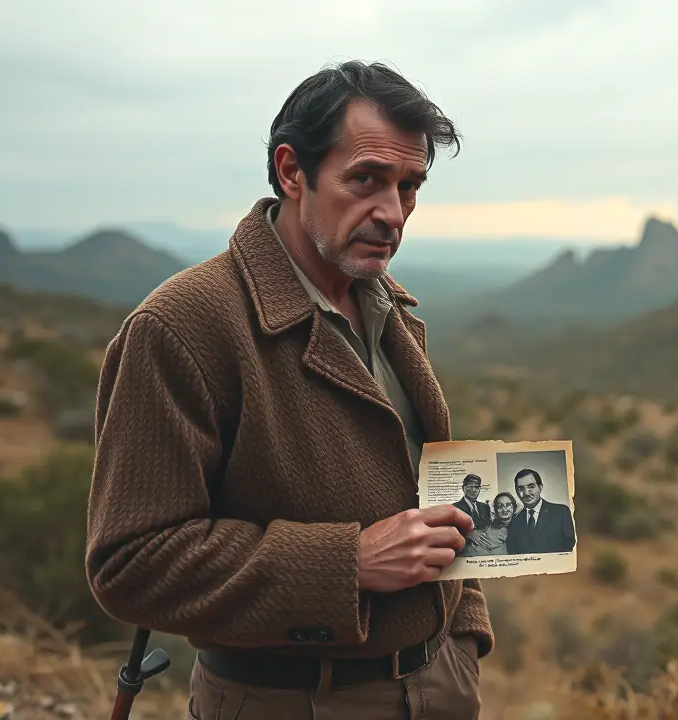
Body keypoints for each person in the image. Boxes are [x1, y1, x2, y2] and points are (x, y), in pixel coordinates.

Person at [84, 61, 492, 720]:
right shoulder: (183, 326)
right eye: (365, 180)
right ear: (291, 171)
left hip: (439, 685)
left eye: (410, 186)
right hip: (289, 699)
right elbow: (131, 563)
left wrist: (463, 638)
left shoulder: (390, 310)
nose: (392, 213)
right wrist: (349, 562)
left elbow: (426, 496)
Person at [505, 468, 577, 555]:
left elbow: (569, 544)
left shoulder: (561, 512)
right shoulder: (514, 522)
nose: (526, 493)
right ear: (516, 491)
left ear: (540, 487)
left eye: (531, 486)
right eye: (521, 489)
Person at [460, 492, 517, 557]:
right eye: (500, 506)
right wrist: (473, 535)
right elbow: (471, 534)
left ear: (513, 507)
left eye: (508, 505)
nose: (504, 509)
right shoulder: (488, 524)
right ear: (496, 509)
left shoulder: (520, 525)